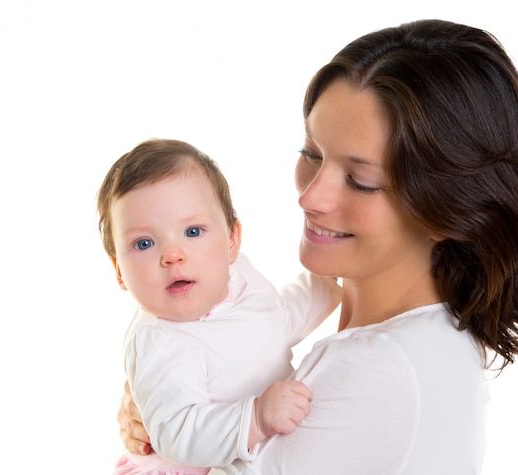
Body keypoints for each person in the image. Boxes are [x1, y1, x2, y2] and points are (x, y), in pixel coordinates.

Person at [116, 20, 518, 473]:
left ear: (447, 210)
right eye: (312, 153)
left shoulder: (382, 368)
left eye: (361, 181)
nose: (309, 197)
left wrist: (174, 442)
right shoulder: (397, 340)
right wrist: (171, 398)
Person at [96, 138, 341, 474]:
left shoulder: (240, 278)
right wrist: (255, 417)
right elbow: (178, 430)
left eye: (193, 231)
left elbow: (276, 322)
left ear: (231, 241)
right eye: (144, 243)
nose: (172, 255)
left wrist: (327, 284)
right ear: (119, 271)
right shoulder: (160, 340)